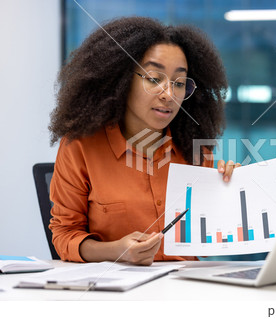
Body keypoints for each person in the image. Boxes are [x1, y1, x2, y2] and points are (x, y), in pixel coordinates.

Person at [48, 17, 239, 265]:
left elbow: (212, 233)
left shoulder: (194, 148)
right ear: (122, 80)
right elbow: (65, 235)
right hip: (115, 294)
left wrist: (232, 191)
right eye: (153, 79)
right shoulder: (81, 147)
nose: (168, 94)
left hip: (187, 288)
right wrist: (117, 250)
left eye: (179, 83)